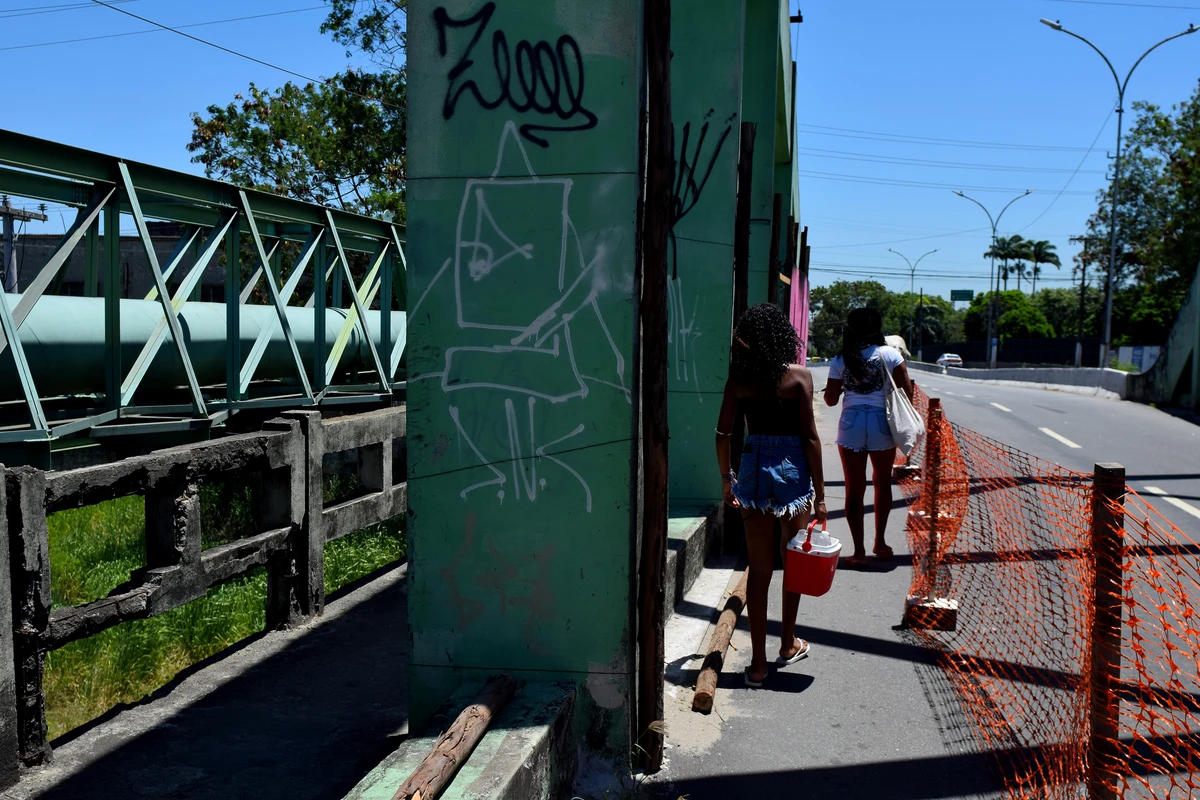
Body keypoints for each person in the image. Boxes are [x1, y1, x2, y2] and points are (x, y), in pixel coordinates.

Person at [716, 303, 827, 688]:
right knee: (792, 561)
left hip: (753, 471)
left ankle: (759, 666)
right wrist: (822, 496)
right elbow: (810, 437)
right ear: (782, 336)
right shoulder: (799, 377)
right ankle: (787, 643)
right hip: (792, 471)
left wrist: (727, 479)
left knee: (759, 568)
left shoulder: (739, 381)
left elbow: (724, 435)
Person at [822, 307, 915, 568]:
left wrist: (843, 387)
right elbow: (907, 393)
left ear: (851, 329)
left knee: (854, 488)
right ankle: (880, 543)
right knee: (882, 483)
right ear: (877, 328)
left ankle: (859, 550)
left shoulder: (841, 358)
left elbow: (830, 401)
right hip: (881, 422)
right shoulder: (891, 355)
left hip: (851, 424)